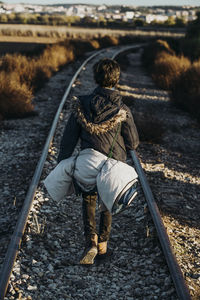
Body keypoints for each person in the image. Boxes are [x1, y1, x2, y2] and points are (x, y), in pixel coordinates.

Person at [57, 58, 139, 264]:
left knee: (88, 198)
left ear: (95, 78)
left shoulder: (82, 104)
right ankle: (103, 246)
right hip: (113, 164)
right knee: (108, 200)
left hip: (88, 161)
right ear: (116, 79)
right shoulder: (123, 109)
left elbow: (68, 140)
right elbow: (134, 143)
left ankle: (90, 241)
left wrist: (62, 163)